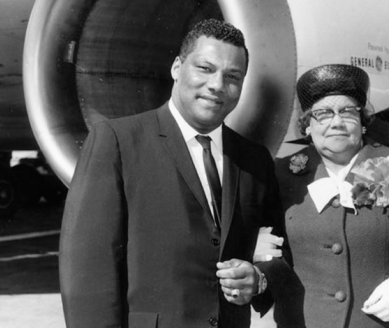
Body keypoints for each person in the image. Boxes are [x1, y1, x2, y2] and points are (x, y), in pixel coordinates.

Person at [59, 19, 304, 328]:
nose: (217, 85)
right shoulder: (118, 142)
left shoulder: (254, 160)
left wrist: (260, 280)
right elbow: (88, 269)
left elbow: (279, 250)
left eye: (233, 76)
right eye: (205, 68)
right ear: (177, 67)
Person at [255, 64, 389, 327]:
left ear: (363, 122)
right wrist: (254, 249)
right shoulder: (280, 175)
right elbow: (262, 252)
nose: (337, 122)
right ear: (307, 125)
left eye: (348, 111)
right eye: (323, 113)